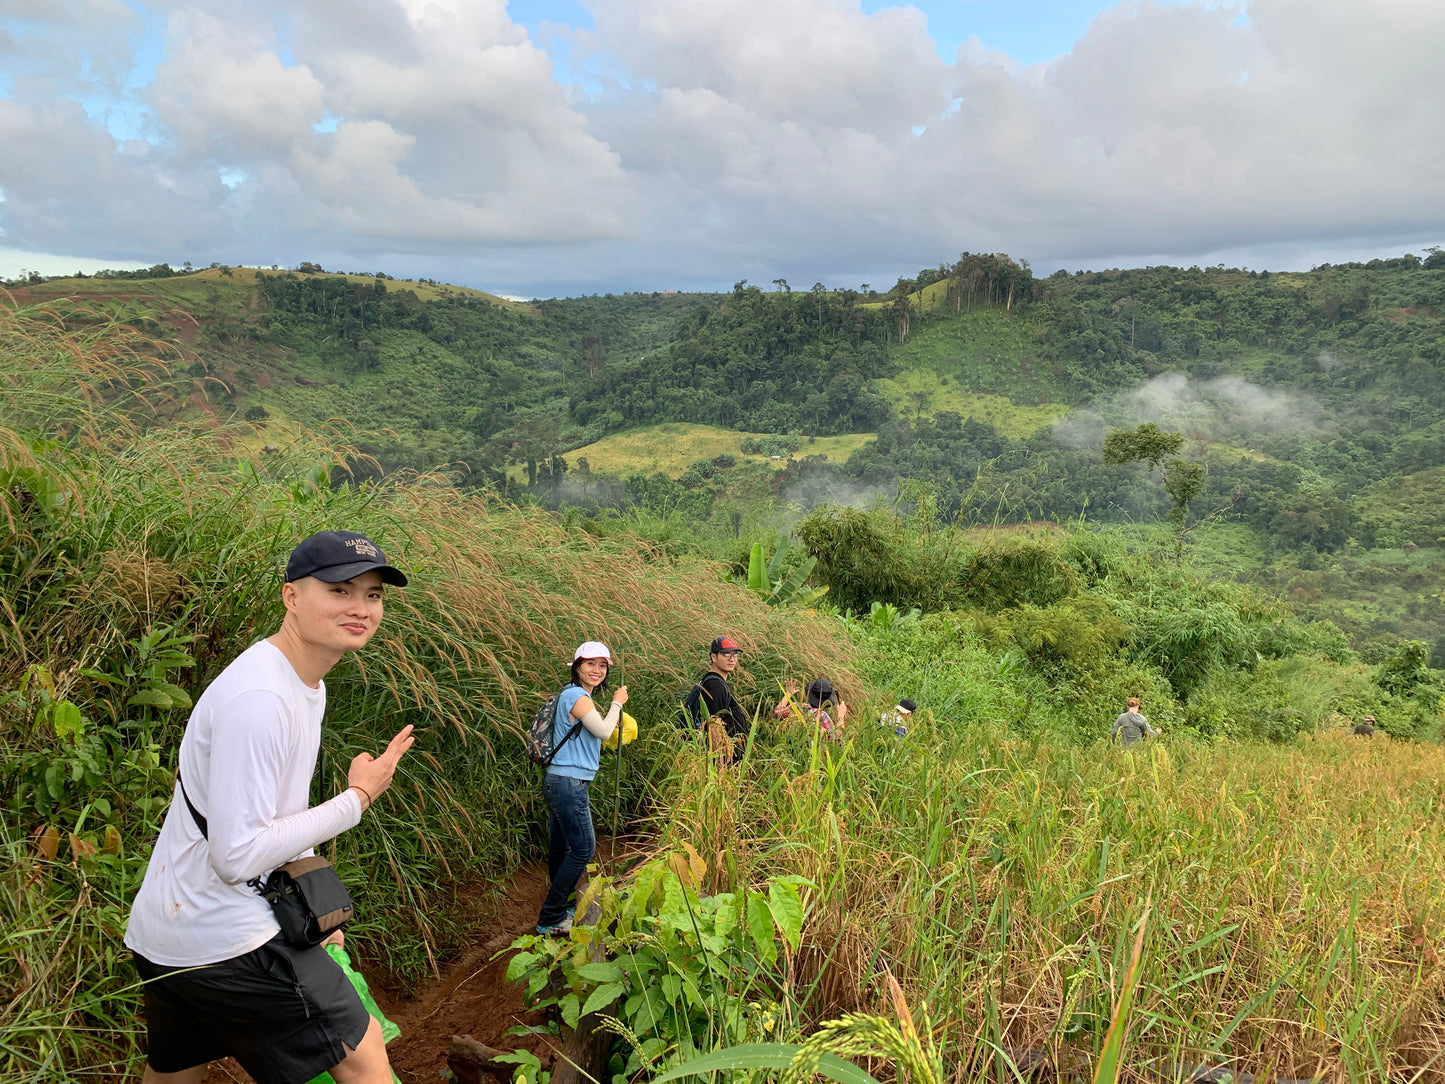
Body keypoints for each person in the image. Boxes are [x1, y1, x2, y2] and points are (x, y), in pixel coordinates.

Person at [124, 529, 416, 1084]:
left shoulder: (302, 683)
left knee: (177, 1068)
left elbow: (278, 814)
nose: (360, 608)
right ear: (291, 597)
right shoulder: (259, 698)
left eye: (373, 595)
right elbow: (236, 855)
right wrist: (358, 798)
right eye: (339, 590)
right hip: (226, 938)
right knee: (362, 1050)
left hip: (170, 934)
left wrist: (317, 906)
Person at [536, 641, 628, 936]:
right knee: (584, 848)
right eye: (590, 664)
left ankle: (560, 907)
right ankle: (551, 916)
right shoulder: (576, 695)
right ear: (577, 667)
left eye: (602, 665)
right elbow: (602, 731)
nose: (597, 670)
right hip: (568, 783)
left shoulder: (574, 696)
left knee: (561, 847)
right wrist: (617, 703)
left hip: (561, 780)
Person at [687, 636, 751, 741]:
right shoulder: (714, 685)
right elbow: (715, 728)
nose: (732, 659)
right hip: (721, 754)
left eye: (735, 655)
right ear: (714, 657)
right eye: (726, 654)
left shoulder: (714, 681)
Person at [775, 676, 848, 736]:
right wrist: (841, 715)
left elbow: (777, 714)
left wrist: (788, 694)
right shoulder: (822, 716)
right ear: (827, 701)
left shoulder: (796, 707)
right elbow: (837, 737)